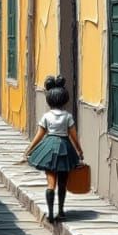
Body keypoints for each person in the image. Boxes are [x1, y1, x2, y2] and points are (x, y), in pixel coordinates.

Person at [25, 76, 84, 222]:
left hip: (49, 148)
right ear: (64, 99)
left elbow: (39, 135)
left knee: (50, 183)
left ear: (49, 99)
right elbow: (74, 136)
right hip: (65, 148)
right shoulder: (68, 116)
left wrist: (29, 149)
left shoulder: (46, 116)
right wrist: (79, 151)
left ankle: (50, 214)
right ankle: (61, 211)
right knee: (62, 183)